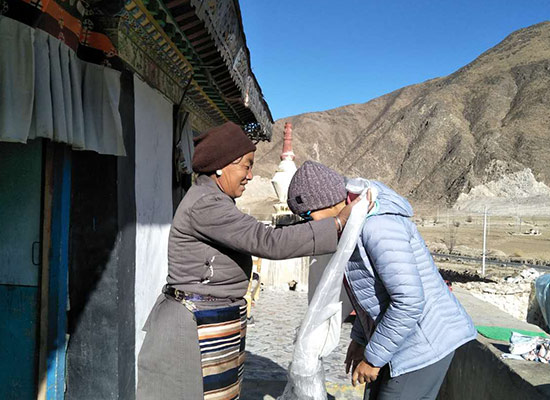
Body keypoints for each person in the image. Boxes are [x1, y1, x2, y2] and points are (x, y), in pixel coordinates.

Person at [137, 123, 364, 400]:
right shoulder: (206, 204)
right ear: (222, 166)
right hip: (190, 326)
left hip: (212, 321)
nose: (250, 176)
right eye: (246, 166)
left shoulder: (215, 201)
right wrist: (338, 225)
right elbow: (266, 241)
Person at [286, 161, 477, 400]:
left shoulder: (378, 227)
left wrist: (373, 357)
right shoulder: (354, 227)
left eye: (306, 215)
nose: (308, 224)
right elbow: (371, 295)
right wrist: (360, 338)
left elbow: (408, 301)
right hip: (399, 340)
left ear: (329, 201)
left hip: (423, 344)